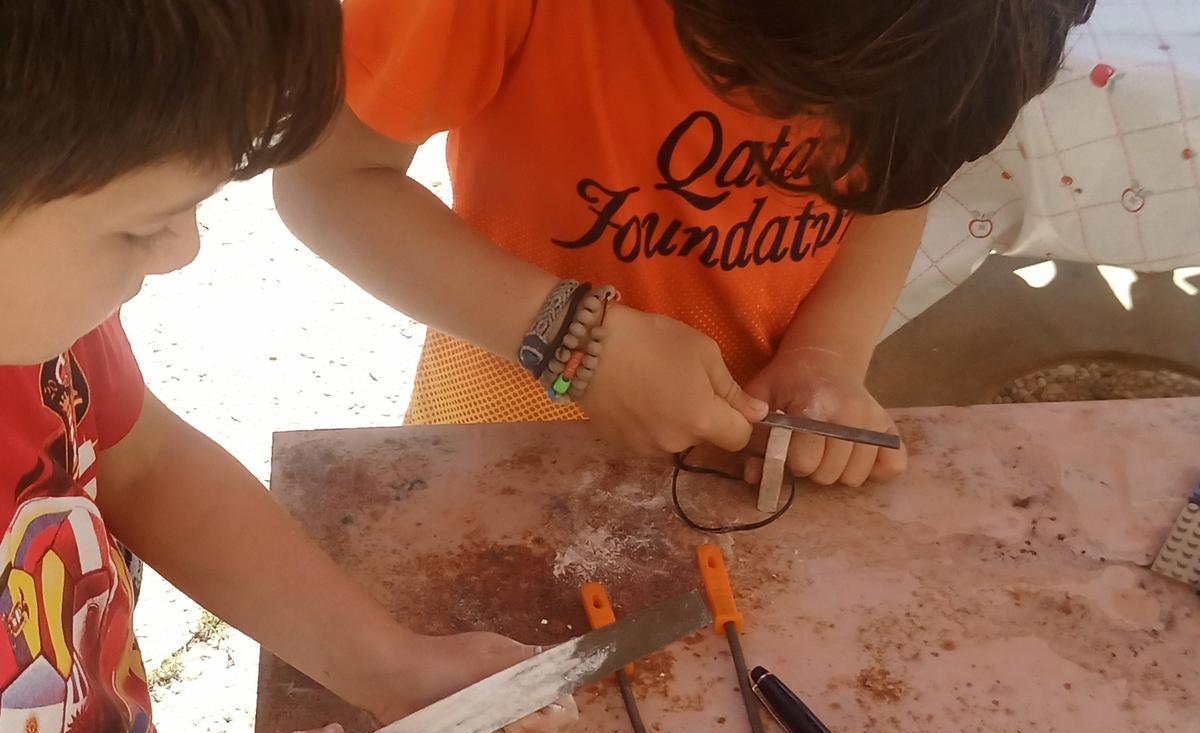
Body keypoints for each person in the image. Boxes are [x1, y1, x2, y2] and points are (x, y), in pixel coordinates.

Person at [0, 4, 571, 733]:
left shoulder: (37, 323)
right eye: (146, 222)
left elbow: (144, 457)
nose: (185, 255)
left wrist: (389, 662)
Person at [275, 0, 1095, 490]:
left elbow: (901, 181)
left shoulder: (952, 39)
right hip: (509, 412)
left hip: (744, 455)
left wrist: (829, 354)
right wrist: (573, 339)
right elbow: (325, 181)